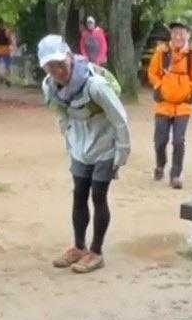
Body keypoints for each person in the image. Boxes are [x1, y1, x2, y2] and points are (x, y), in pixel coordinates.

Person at [39, 33, 130, 274]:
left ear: (70, 57)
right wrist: (69, 139)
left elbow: (120, 118)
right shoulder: (49, 87)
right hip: (80, 145)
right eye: (51, 66)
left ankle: (96, 252)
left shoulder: (95, 85)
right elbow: (61, 114)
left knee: (98, 195)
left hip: (105, 145)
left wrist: (122, 152)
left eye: (61, 64)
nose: (58, 71)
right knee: (79, 194)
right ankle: (79, 247)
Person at [148, 20, 192, 189]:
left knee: (179, 141)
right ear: (171, 35)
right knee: (160, 140)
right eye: (175, 33)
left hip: (183, 106)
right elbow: (152, 72)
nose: (178, 36)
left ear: (188, 35)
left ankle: (176, 175)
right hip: (163, 104)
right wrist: (160, 85)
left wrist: (190, 89)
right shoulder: (162, 53)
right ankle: (160, 165)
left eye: (181, 33)